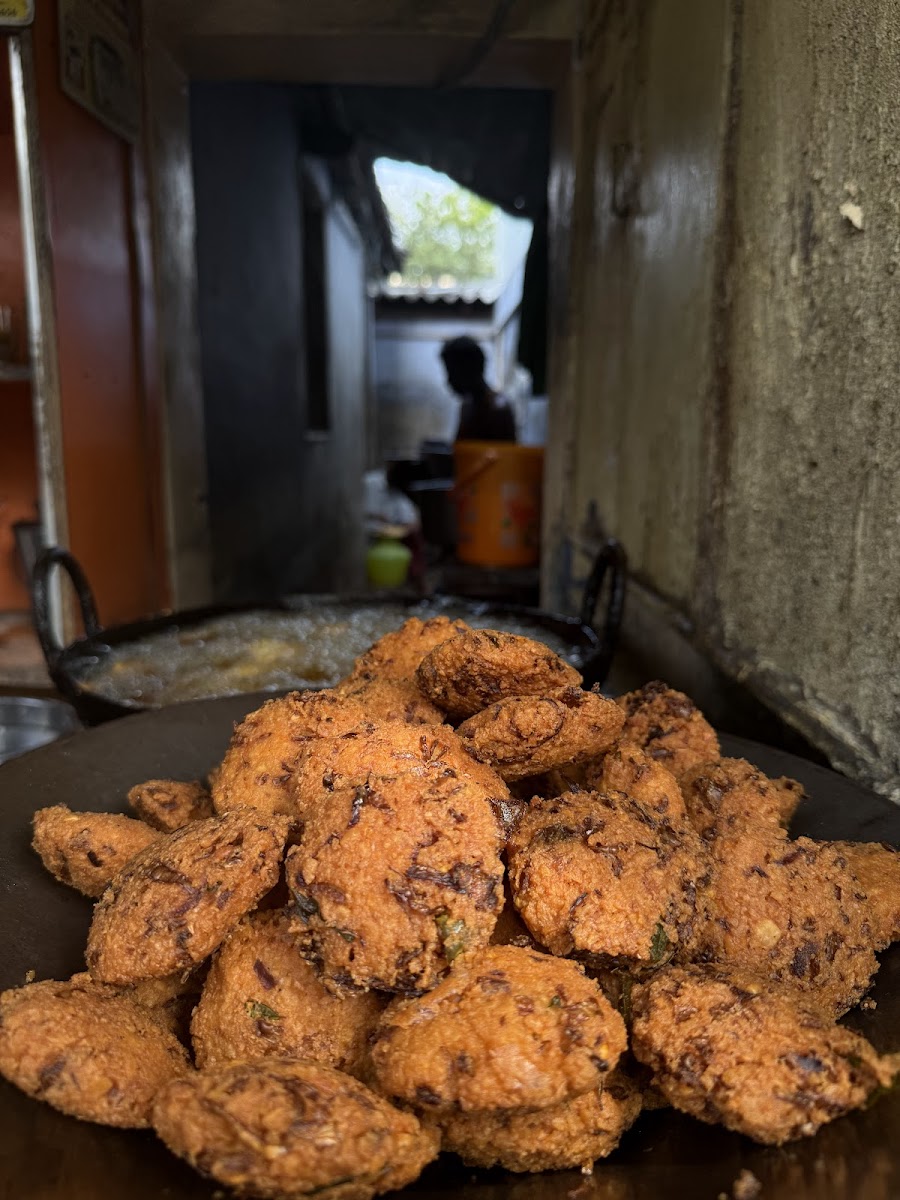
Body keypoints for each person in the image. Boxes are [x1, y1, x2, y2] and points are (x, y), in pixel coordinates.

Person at [441, 336, 516, 443]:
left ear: (468, 369)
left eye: (452, 372)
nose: (449, 381)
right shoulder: (467, 406)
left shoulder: (498, 409)